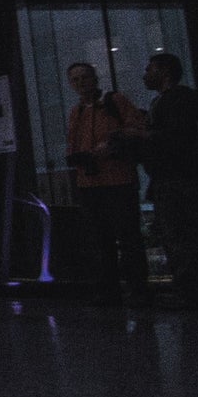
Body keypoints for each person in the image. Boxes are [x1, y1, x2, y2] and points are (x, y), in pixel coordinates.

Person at [63, 61, 149, 297]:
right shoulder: (77, 112)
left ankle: (137, 289)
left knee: (127, 236)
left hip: (118, 179)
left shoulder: (114, 102)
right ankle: (110, 288)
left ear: (95, 78)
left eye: (84, 78)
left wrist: (110, 145)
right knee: (101, 238)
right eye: (76, 80)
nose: (81, 83)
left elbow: (136, 128)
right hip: (90, 182)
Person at [141, 51, 198, 307]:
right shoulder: (176, 101)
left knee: (179, 235)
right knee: (180, 234)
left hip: (174, 177)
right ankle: (189, 289)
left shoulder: (175, 101)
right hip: (176, 176)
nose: (145, 75)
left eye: (150, 69)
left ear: (164, 72)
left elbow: (174, 137)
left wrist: (145, 135)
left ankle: (189, 291)